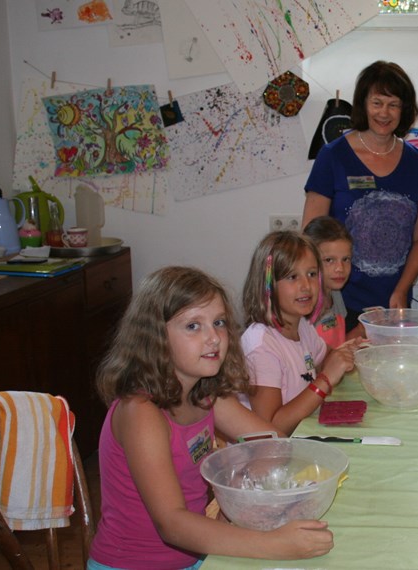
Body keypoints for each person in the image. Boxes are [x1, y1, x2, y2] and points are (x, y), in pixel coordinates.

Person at [89, 267, 334, 569]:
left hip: (197, 556)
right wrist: (276, 544)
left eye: (219, 323)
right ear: (154, 337)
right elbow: (173, 524)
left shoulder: (207, 396)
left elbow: (273, 443)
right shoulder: (141, 412)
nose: (214, 338)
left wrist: (238, 496)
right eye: (193, 326)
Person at [302, 60, 418, 333]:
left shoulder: (416, 162)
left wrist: (401, 289)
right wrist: (323, 294)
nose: (384, 113)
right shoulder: (333, 156)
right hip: (337, 301)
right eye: (377, 102)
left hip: (394, 301)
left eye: (393, 104)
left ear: (404, 110)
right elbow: (310, 233)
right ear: (363, 104)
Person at [240, 231, 359, 437]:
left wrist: (346, 353)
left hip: (299, 438)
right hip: (266, 459)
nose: (306, 286)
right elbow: (269, 430)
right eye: (292, 277)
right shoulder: (261, 347)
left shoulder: (302, 325)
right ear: (268, 285)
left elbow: (323, 360)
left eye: (312, 274)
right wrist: (325, 380)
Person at [303, 215, 363, 347]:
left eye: (346, 259)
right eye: (329, 260)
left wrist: (360, 330)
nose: (340, 268)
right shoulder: (304, 307)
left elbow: (337, 347)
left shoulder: (335, 294)